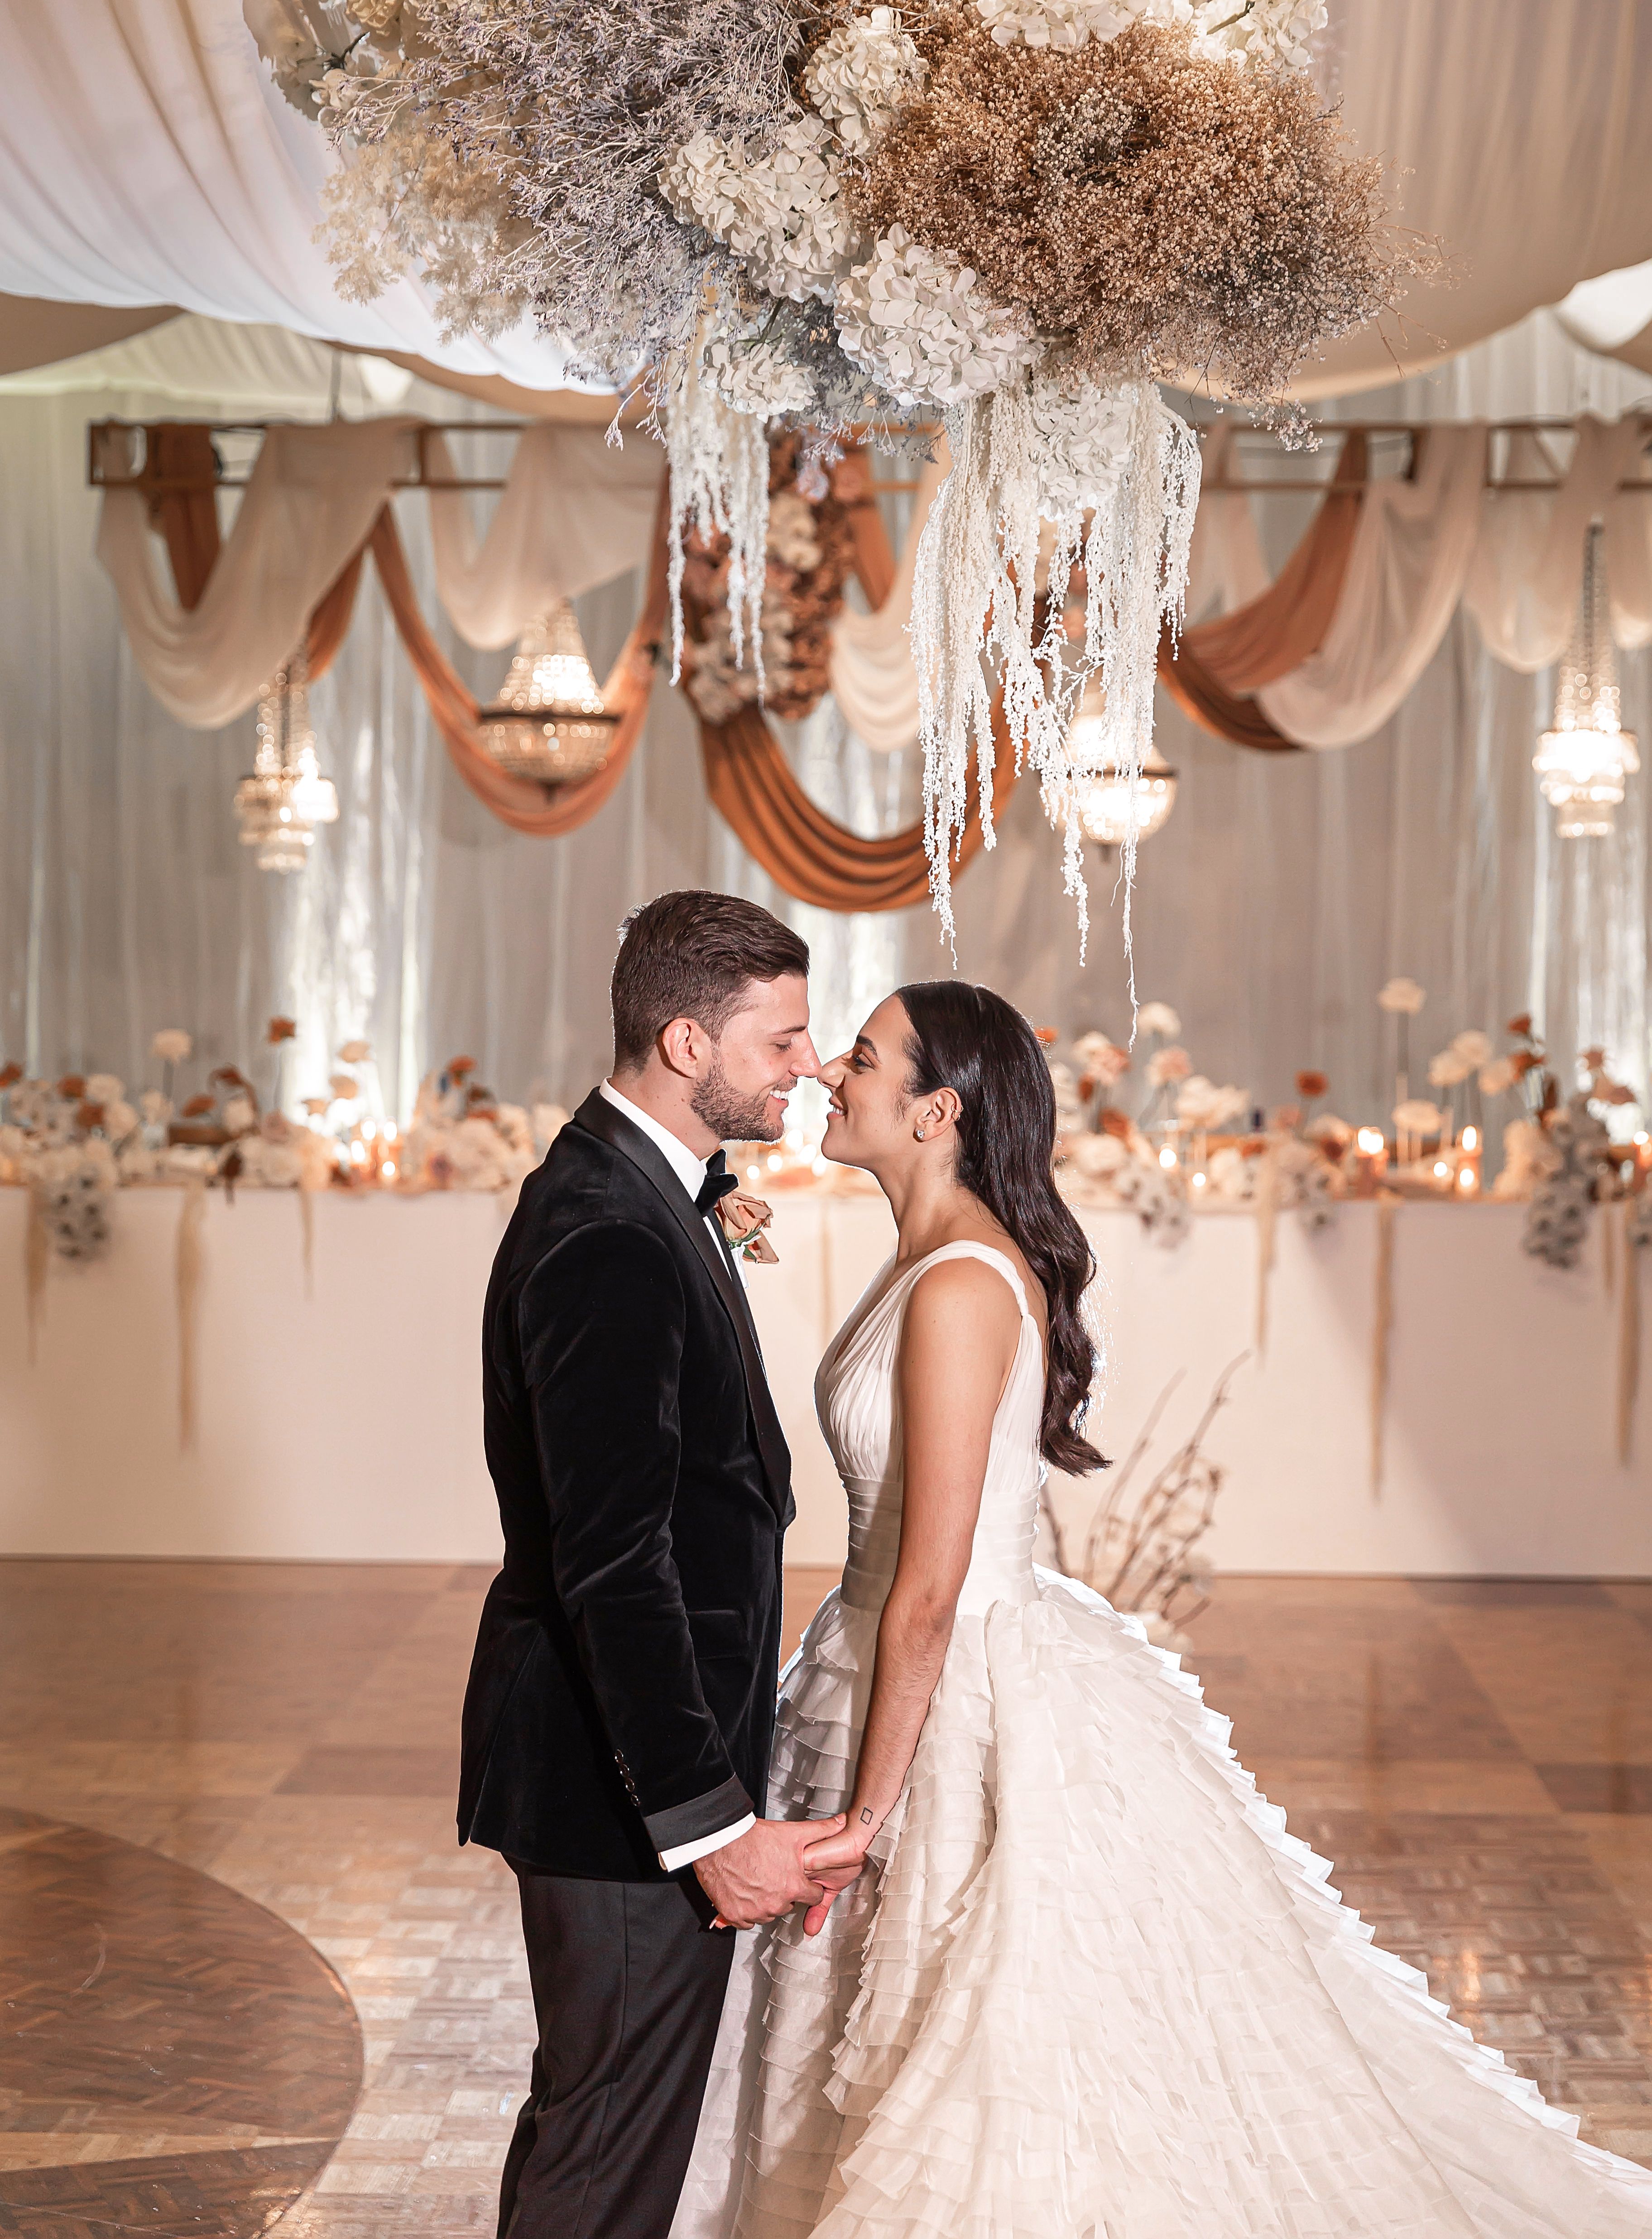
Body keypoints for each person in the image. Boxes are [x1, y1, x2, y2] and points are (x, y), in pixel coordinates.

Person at [674, 979, 1652, 2239]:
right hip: (876, 1656)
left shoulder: (962, 1284)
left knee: (971, 2031)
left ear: (936, 1111)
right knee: (859, 2014)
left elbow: (931, 1584)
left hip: (947, 1678)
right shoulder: (925, 1257)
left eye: (862, 1057)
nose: (828, 1073)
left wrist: (870, 1814)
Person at [459, 889, 842, 2239]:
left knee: (602, 2127)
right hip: (615, 1788)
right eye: (782, 1040)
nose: (809, 1064)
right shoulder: (610, 1229)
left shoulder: (643, 1192)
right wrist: (708, 1825)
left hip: (625, 1770)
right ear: (688, 1043)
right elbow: (616, 1563)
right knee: (608, 2147)